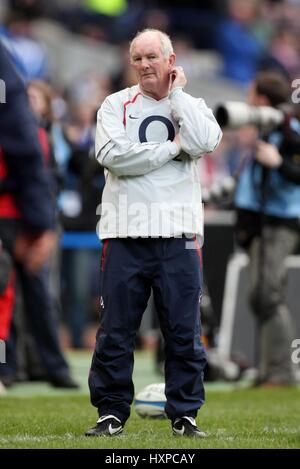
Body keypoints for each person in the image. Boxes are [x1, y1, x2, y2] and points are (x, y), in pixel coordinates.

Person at [85, 28, 222, 437]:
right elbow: (111, 155)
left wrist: (178, 98)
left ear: (171, 59)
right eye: (138, 58)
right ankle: (110, 413)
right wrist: (171, 149)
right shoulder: (115, 105)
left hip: (178, 234)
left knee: (183, 331)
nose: (144, 65)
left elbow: (206, 140)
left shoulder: (191, 104)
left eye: (152, 57)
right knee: (115, 331)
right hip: (125, 231)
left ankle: (185, 414)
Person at [0, 40, 78, 389]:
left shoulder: (46, 135)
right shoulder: (25, 126)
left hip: (20, 215)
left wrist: (43, 220)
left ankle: (53, 368)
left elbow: (46, 174)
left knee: (35, 296)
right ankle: (9, 367)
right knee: (7, 296)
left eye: (37, 99)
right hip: (20, 214)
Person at [234, 71, 300, 387]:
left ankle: (283, 372)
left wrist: (279, 163)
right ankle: (266, 370)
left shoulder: (289, 131)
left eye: (251, 92)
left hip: (279, 222)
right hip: (262, 224)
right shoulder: (270, 131)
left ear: (262, 99)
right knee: (259, 296)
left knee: (267, 294)